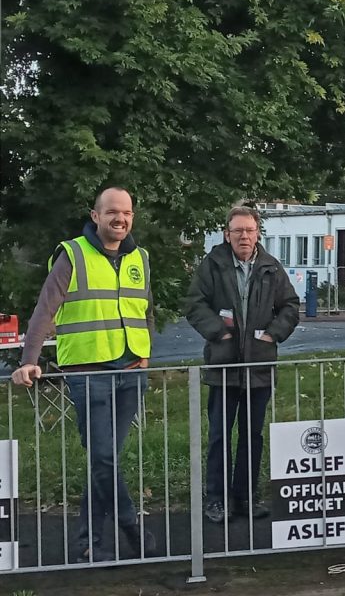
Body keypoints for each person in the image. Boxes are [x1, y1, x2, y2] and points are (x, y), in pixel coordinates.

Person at [12, 187, 157, 562]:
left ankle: (88, 544)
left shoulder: (140, 257)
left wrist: (145, 355)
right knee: (105, 458)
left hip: (130, 373)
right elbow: (45, 308)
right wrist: (29, 358)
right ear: (96, 215)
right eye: (111, 212)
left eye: (126, 212)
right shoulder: (73, 254)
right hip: (88, 374)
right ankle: (130, 526)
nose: (119, 219)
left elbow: (145, 309)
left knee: (103, 460)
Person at [184, 206, 299, 524]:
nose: (244, 236)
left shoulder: (271, 267)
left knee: (253, 436)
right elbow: (195, 303)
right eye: (237, 231)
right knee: (220, 436)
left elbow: (290, 305)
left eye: (249, 230)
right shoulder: (213, 265)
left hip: (259, 367)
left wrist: (274, 335)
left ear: (258, 233)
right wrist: (216, 331)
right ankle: (217, 499)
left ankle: (246, 497)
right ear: (227, 234)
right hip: (223, 367)